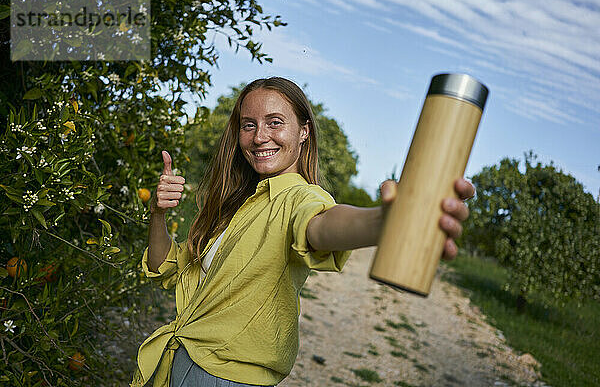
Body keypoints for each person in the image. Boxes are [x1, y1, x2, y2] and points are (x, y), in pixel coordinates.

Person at [130, 77, 474, 387]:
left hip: (225, 377)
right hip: (182, 359)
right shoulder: (237, 201)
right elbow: (166, 270)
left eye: (275, 123)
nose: (259, 136)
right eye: (249, 125)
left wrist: (386, 222)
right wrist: (157, 214)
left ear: (304, 131)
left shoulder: (300, 197)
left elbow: (321, 226)